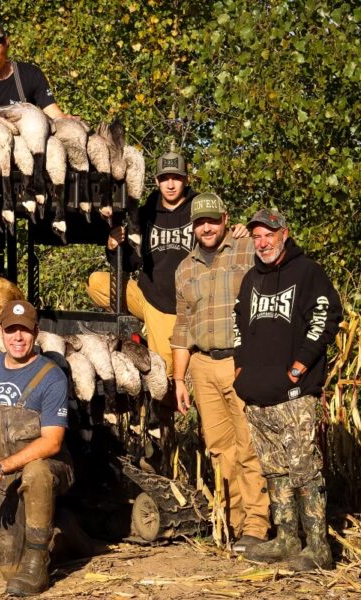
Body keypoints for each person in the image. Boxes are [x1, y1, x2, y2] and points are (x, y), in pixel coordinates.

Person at [233, 208, 341, 571]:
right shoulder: (250, 279)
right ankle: (286, 538)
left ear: (284, 234)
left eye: (269, 235)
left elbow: (327, 317)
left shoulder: (307, 272)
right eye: (257, 236)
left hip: (295, 396)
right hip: (258, 396)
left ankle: (318, 547)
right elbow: (238, 327)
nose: (262, 242)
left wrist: (300, 366)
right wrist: (240, 370)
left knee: (304, 470)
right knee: (274, 471)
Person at [170, 193, 270, 552]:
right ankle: (234, 524)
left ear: (226, 219)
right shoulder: (185, 268)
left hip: (239, 362)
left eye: (212, 220)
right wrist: (179, 379)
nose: (207, 227)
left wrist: (254, 232)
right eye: (200, 222)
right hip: (201, 364)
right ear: (192, 226)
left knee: (248, 446)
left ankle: (257, 526)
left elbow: (280, 261)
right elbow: (182, 328)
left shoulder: (245, 250)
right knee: (219, 449)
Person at [0, 300, 73, 597]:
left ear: (36, 332)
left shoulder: (51, 376)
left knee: (36, 472)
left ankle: (39, 560)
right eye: (11, 330)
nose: (18, 337)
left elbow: (52, 442)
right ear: (0, 332)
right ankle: (61, 533)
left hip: (46, 468)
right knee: (10, 568)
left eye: (24, 330)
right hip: (2, 477)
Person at [87, 151, 198, 375]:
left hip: (180, 304)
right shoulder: (144, 214)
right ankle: (144, 326)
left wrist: (239, 232)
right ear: (157, 181)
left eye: (176, 178)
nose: (170, 184)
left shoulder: (199, 212)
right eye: (165, 178)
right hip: (149, 296)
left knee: (165, 370)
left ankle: (162, 407)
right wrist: (113, 246)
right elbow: (130, 262)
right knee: (96, 282)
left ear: (186, 180)